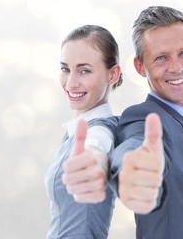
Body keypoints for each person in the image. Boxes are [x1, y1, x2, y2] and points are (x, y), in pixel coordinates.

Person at [109, 6, 183, 239]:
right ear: (139, 66)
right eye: (161, 58)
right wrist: (134, 171)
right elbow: (134, 146)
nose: (176, 67)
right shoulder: (145, 118)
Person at [44, 25, 123, 239]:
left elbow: (96, 146)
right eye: (65, 69)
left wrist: (91, 159)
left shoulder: (99, 130)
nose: (70, 83)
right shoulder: (76, 129)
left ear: (113, 74)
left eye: (84, 70)